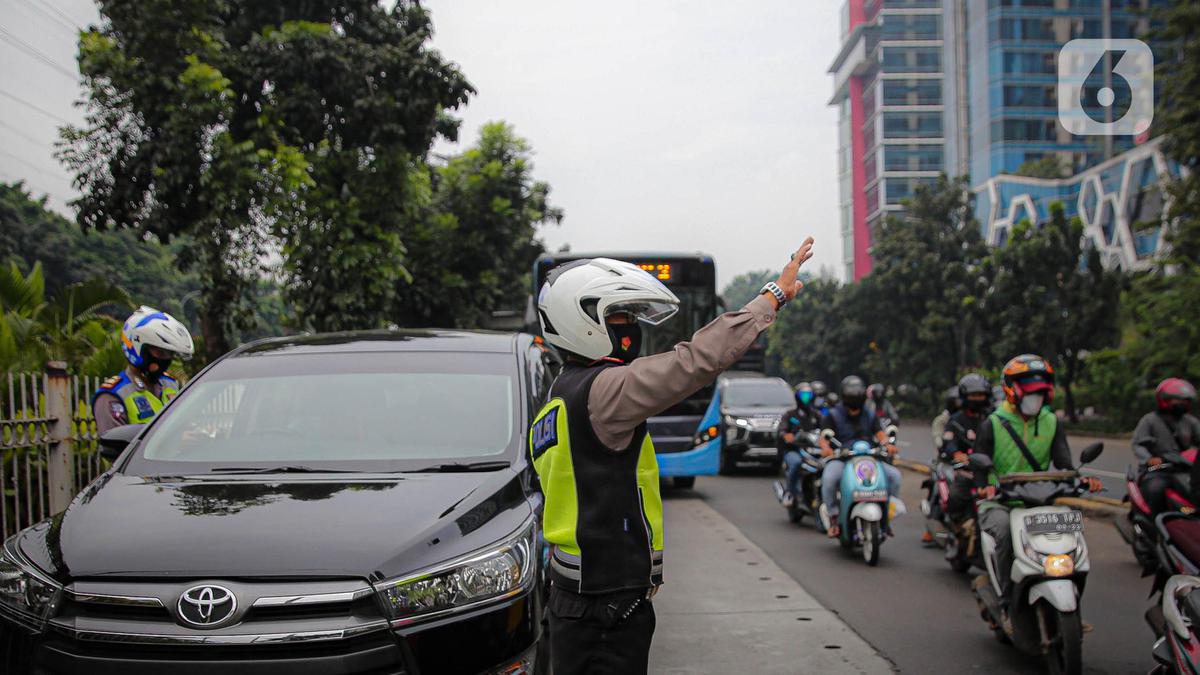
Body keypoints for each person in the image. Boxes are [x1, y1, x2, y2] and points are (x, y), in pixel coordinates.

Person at [529, 239, 815, 675]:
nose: (631, 329)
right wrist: (772, 296)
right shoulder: (605, 392)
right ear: (581, 322)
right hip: (605, 608)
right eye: (620, 317)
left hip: (574, 597)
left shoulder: (556, 396)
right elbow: (694, 361)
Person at [973, 355, 1102, 604]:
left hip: (1040, 499)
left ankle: (1073, 596)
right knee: (1004, 532)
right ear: (1011, 389)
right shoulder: (993, 423)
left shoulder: (1052, 422)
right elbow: (980, 461)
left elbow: (1064, 464)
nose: (1036, 397)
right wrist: (984, 487)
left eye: (1041, 391)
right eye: (1030, 390)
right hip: (1001, 501)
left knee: (1072, 534)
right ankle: (1007, 600)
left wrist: (1083, 480)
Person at [817, 375, 902, 538]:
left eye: (858, 394)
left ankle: (887, 518)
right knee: (828, 480)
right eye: (851, 394)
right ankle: (834, 517)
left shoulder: (869, 414)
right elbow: (824, 437)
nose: (855, 397)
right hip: (843, 458)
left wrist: (888, 444)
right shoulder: (833, 415)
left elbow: (880, 434)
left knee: (895, 477)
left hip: (868, 459)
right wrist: (826, 448)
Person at [93, 306, 194, 434]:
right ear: (138, 349)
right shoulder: (113, 395)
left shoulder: (170, 384)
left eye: (170, 353)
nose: (166, 359)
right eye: (160, 352)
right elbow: (116, 448)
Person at [1132, 378, 1200, 517]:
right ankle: (1154, 524)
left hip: (1184, 468)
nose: (1182, 403)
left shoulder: (1190, 421)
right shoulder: (1149, 420)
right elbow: (1137, 444)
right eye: (1178, 400)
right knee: (1155, 491)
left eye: (1185, 400)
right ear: (1164, 399)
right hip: (1158, 469)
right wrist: (1149, 459)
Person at [778, 382, 821, 507]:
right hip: (794, 450)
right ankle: (790, 492)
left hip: (813, 451)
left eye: (808, 395)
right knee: (796, 463)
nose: (806, 398)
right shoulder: (790, 415)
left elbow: (826, 429)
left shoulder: (816, 415)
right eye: (803, 395)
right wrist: (787, 436)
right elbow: (783, 430)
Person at [931, 386, 962, 453]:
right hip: (948, 453)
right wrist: (943, 445)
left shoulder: (973, 417)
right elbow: (937, 437)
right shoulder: (942, 419)